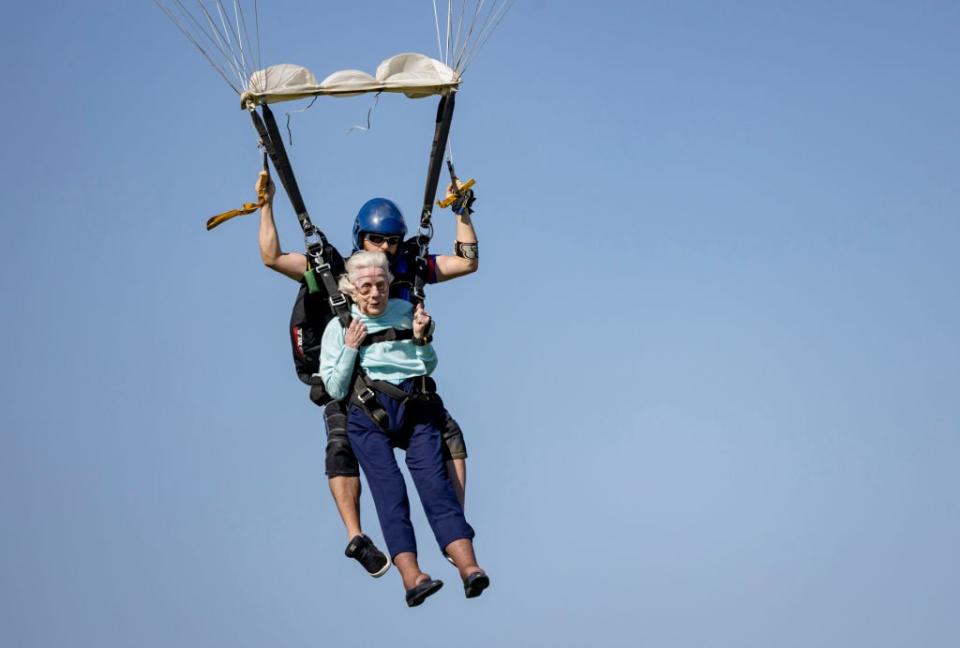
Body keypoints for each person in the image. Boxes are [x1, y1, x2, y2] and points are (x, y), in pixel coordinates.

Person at [257, 174, 479, 576]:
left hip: (405, 386)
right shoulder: (338, 271)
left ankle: (452, 528)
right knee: (341, 445)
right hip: (351, 383)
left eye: (392, 241)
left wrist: (462, 213)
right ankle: (356, 536)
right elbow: (273, 257)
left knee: (451, 436)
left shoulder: (408, 270)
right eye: (377, 241)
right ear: (362, 238)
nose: (386, 248)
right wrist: (267, 206)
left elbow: (465, 261)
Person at [319, 250, 488, 606]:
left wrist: (422, 338)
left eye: (381, 285)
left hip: (415, 408)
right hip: (369, 416)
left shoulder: (407, 313)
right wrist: (350, 348)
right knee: (390, 492)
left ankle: (469, 568)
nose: (375, 293)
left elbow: (427, 364)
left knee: (436, 486)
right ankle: (412, 578)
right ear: (352, 289)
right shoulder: (339, 326)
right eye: (366, 287)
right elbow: (334, 389)